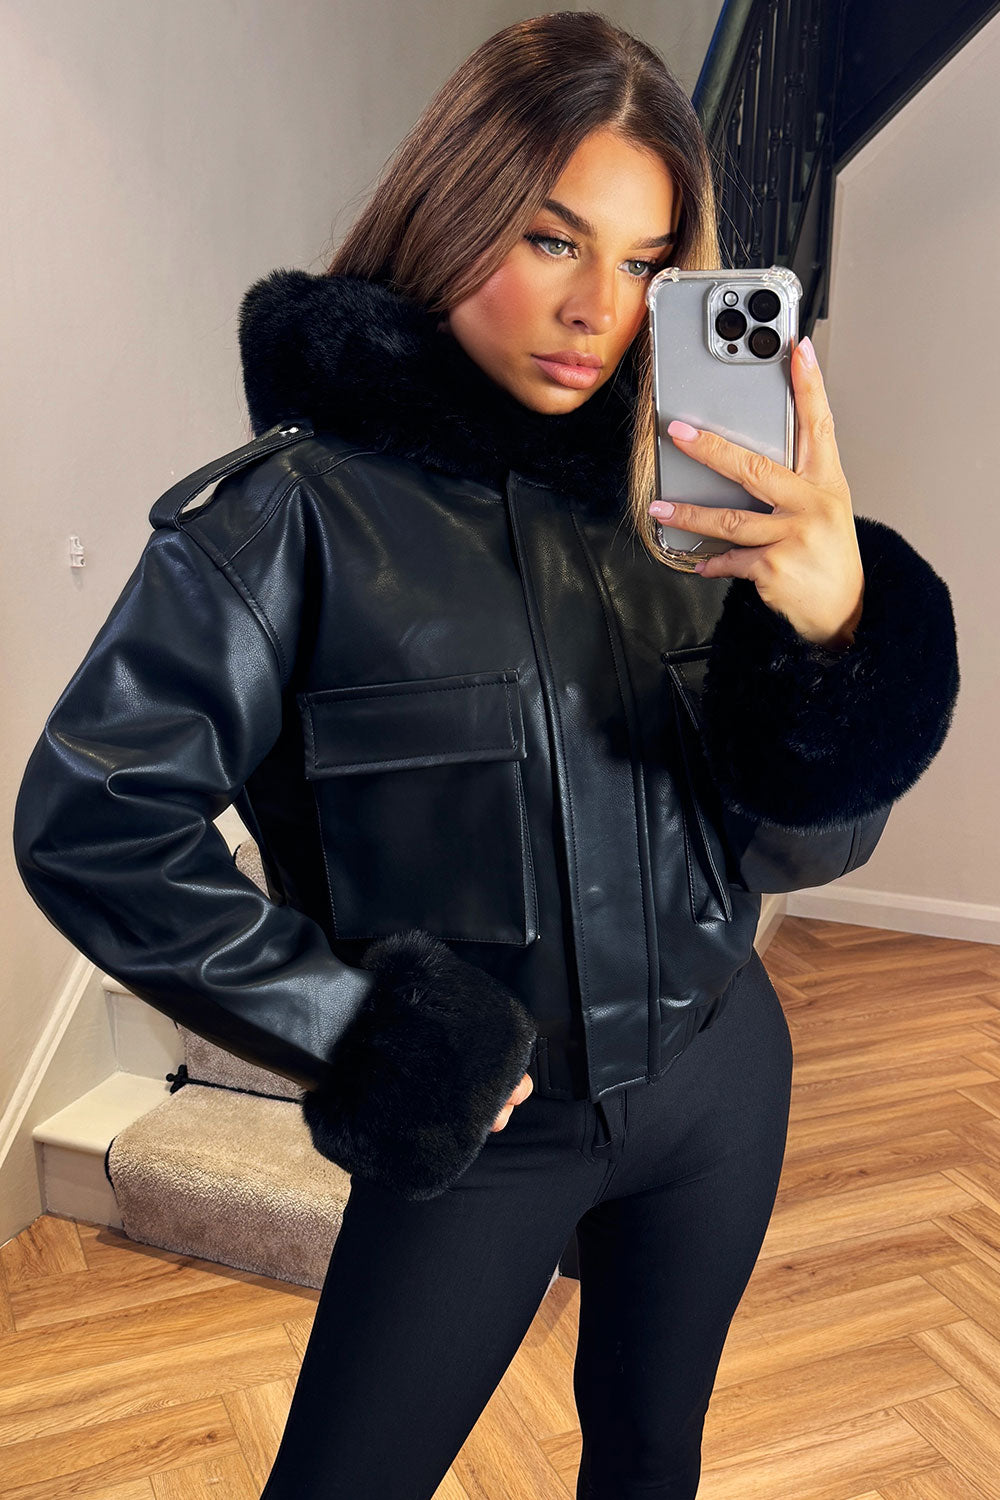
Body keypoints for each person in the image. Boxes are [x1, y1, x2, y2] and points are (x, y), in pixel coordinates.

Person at [12, 12, 960, 1499]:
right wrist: (358, 1026)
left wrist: (832, 643)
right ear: (454, 204)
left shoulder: (690, 515)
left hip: (720, 1081)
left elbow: (809, 851)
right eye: (552, 238)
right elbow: (96, 819)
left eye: (645, 263)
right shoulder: (292, 521)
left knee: (651, 1459)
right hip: (484, 1133)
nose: (598, 309)